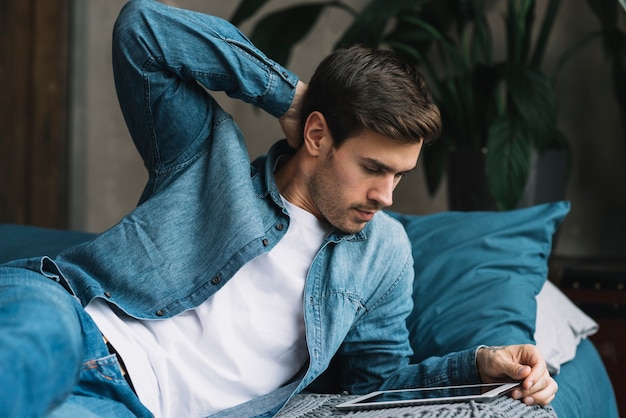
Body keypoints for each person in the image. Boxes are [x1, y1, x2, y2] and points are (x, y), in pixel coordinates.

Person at [0, 0, 558, 417]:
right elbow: (144, 31)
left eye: (399, 176)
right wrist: (289, 95)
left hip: (133, 406)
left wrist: (476, 365)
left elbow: (374, 388)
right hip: (71, 320)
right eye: (372, 168)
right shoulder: (204, 160)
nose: (387, 196)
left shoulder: (383, 254)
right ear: (317, 135)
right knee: (23, 347)